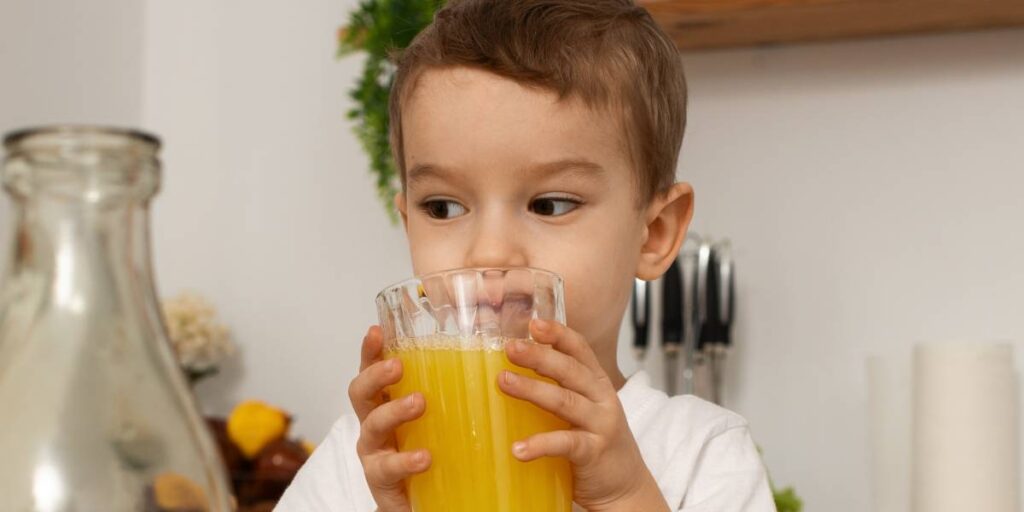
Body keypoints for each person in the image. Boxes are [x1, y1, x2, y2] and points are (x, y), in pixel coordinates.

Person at [279, 1, 775, 510]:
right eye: (444, 206)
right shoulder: (362, 461)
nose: (488, 251)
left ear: (654, 234)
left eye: (550, 204)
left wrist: (628, 496)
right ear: (408, 225)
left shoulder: (702, 453)